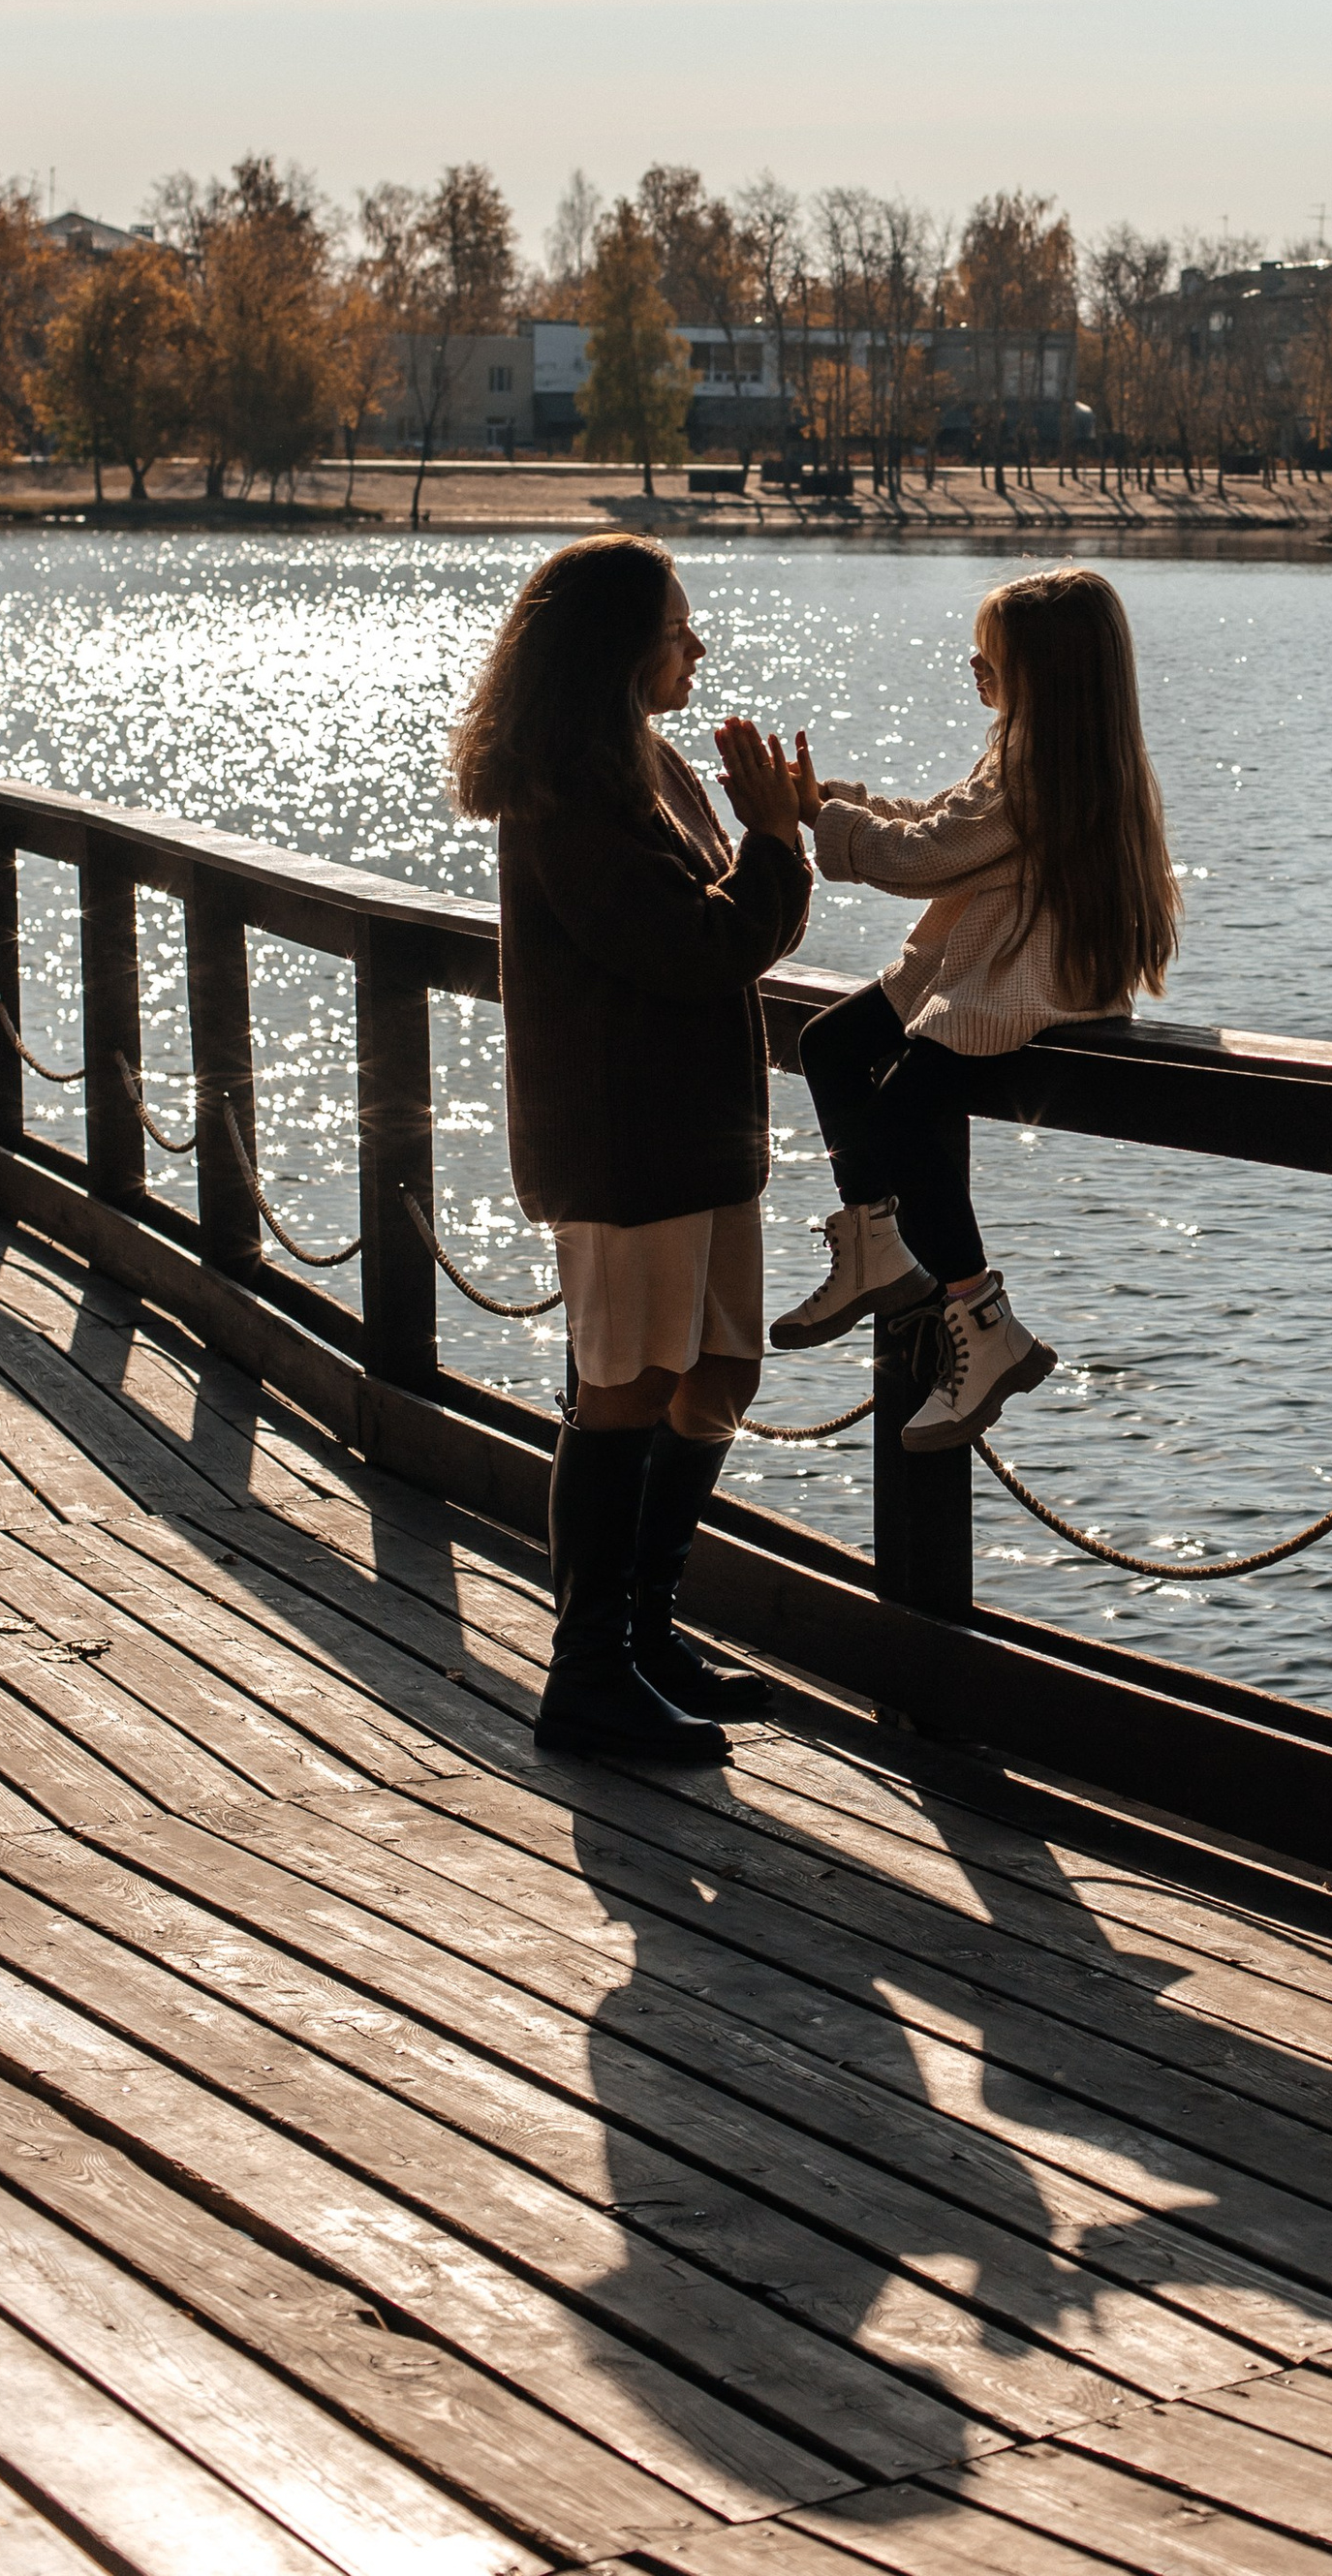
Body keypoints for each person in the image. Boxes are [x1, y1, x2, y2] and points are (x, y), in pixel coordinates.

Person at [448, 536, 811, 1762]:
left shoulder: (646, 762)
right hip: (624, 1138)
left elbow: (720, 932)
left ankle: (646, 1635)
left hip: (700, 1134)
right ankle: (587, 1672)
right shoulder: (566, 782)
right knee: (627, 1387)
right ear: (617, 644)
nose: (696, 646)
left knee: (716, 1375)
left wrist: (770, 837)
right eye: (676, 628)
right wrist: (774, 841)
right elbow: (691, 946)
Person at [771, 566, 1181, 1453]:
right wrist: (828, 807)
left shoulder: (1045, 767)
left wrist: (822, 826)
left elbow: (926, 857)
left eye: (990, 655)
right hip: (976, 966)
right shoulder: (1029, 751)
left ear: (1048, 669)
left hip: (1020, 983)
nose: (972, 666)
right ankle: (877, 1245)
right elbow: (940, 824)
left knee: (910, 1109)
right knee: (831, 1046)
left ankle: (981, 1318)